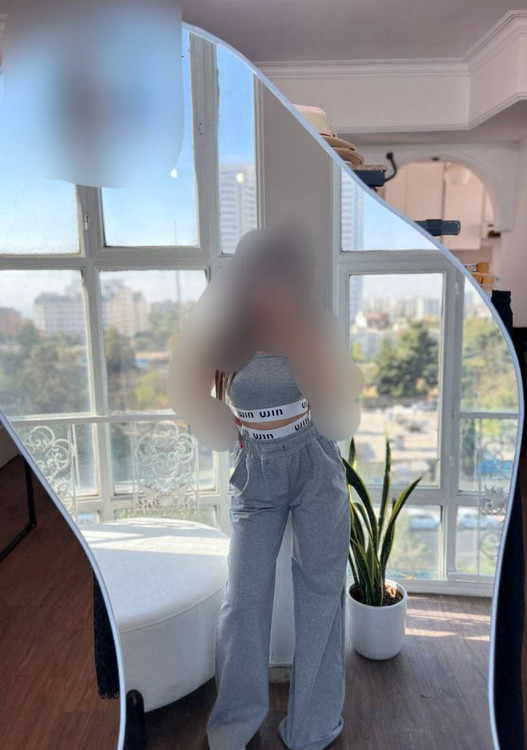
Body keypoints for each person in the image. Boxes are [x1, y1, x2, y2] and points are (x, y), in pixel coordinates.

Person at [166, 224, 363, 750]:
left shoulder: (314, 325)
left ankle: (313, 727)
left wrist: (298, 336)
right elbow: (188, 389)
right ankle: (234, 726)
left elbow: (339, 405)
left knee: (321, 595)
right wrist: (217, 422)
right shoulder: (226, 331)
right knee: (244, 598)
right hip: (255, 470)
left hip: (315, 462)